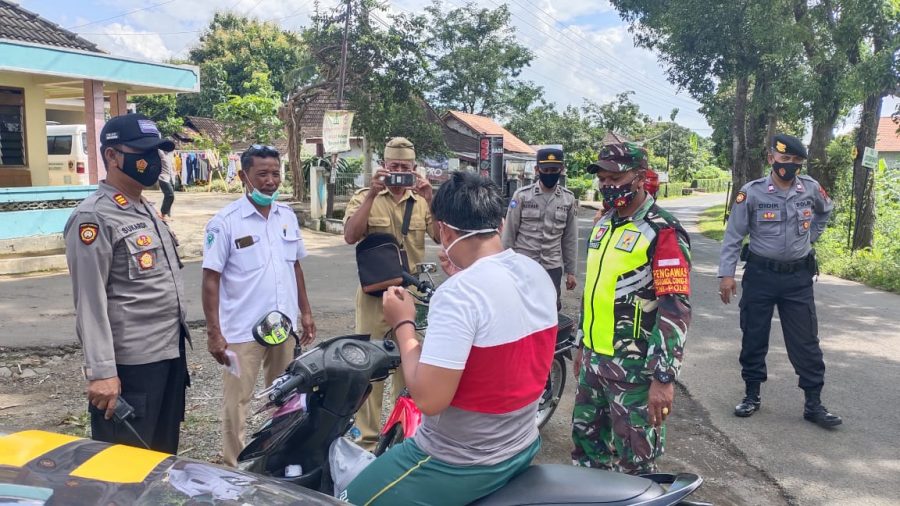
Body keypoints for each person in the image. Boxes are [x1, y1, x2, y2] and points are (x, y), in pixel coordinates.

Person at [344, 171, 557, 505]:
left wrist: (403, 324)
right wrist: (462, 277)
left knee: (348, 498)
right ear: (500, 223)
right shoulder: (537, 273)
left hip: (458, 461)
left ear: (443, 231)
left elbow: (428, 400)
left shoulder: (458, 295)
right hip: (521, 443)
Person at [63, 113, 189, 454]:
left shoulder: (145, 209)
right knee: (122, 467)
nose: (152, 161)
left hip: (167, 354)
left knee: (161, 458)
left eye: (156, 152)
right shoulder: (94, 217)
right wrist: (101, 372)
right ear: (112, 156)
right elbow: (90, 302)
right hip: (130, 367)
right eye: (142, 152)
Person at [572, 142, 692, 475]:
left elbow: (675, 310)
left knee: (636, 467)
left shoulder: (662, 230)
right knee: (586, 455)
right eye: (603, 178)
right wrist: (582, 344)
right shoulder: (603, 225)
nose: (608, 184)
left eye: (616, 176)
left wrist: (664, 378)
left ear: (639, 177)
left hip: (635, 371)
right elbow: (594, 291)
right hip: (594, 363)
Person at [201, 144, 317, 467]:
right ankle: (233, 468)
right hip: (242, 333)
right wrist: (214, 333)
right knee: (237, 402)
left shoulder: (287, 217)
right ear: (244, 176)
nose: (270, 181)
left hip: (284, 328)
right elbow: (210, 279)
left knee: (286, 399)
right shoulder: (225, 223)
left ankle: (276, 461)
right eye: (262, 174)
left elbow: (295, 266)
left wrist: (305, 313)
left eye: (275, 174)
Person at [718, 133, 841, 428]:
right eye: (785, 159)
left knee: (806, 341)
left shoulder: (810, 188)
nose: (790, 165)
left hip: (798, 278)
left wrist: (811, 237)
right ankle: (751, 395)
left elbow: (825, 212)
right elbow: (734, 235)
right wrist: (726, 274)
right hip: (760, 276)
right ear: (771, 158)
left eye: (796, 160)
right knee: (754, 335)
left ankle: (814, 403)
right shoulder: (752, 193)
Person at [342, 137, 439, 451]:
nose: (399, 173)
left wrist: (430, 196)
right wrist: (371, 194)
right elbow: (350, 235)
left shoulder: (422, 199)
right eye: (394, 166)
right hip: (373, 296)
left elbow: (441, 236)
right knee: (369, 368)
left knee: (409, 367)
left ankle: (403, 438)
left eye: (405, 168)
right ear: (383, 166)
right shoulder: (365, 196)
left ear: (414, 168)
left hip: (410, 295)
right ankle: (367, 442)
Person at [502, 147, 578, 309]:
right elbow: (509, 233)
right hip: (524, 264)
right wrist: (504, 265)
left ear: (562, 169)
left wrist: (571, 272)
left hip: (552, 266)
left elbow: (570, 238)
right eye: (546, 169)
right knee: (521, 306)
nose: (550, 173)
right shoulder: (522, 195)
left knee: (550, 307)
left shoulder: (568, 199)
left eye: (554, 169)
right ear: (537, 170)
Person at [158, 149, 176, 221]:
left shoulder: (170, 153)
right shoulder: (161, 152)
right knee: (170, 195)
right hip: (163, 178)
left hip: (170, 178)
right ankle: (162, 215)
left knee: (170, 196)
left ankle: (166, 215)